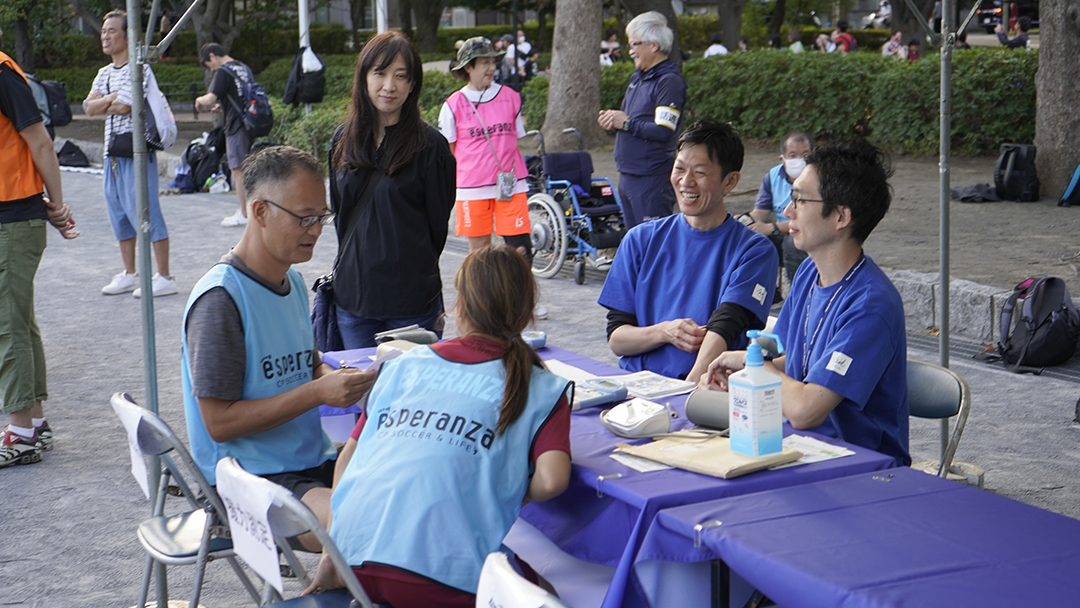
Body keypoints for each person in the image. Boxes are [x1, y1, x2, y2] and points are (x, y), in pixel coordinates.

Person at [304, 245, 572, 607]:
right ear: (527, 311)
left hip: (352, 562)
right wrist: (511, 483)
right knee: (548, 598)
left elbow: (349, 457)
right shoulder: (542, 386)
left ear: (459, 306)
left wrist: (329, 553)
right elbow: (554, 480)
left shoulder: (402, 366)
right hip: (442, 576)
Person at [181, 146, 375, 549]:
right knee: (363, 524)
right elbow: (219, 422)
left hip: (307, 463)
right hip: (244, 481)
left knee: (417, 492)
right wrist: (317, 391)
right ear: (260, 212)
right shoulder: (221, 299)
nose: (316, 229)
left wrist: (337, 379)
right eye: (305, 217)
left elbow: (308, 365)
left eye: (321, 217)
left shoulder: (294, 282)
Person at [699, 139, 910, 467]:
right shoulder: (811, 271)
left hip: (860, 472)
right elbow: (798, 360)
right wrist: (743, 360)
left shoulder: (871, 304)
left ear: (841, 216)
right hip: (801, 452)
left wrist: (758, 371)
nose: (787, 211)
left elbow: (805, 410)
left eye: (799, 199)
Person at [598, 120, 778, 383]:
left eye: (700, 173)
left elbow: (725, 327)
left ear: (730, 181)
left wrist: (688, 392)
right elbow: (617, 340)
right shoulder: (640, 239)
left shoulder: (754, 250)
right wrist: (664, 331)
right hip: (636, 389)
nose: (686, 182)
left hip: (701, 389)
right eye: (679, 169)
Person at [330, 31, 455, 349]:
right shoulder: (343, 140)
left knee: (411, 397)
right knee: (358, 394)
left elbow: (436, 228)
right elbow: (341, 215)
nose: (390, 85)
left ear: (413, 84)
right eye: (380, 73)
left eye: (401, 76)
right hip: (353, 298)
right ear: (364, 76)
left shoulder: (431, 148)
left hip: (411, 303)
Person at [0, 48, 78, 469]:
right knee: (20, 321)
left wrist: (58, 205)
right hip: (11, 216)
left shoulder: (2, 73)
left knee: (8, 324)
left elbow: (41, 142)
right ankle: (35, 423)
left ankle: (21, 432)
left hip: (13, 217)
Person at [84, 10, 176, 298]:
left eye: (112, 31)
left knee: (147, 210)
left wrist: (107, 100)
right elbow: (88, 108)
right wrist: (109, 99)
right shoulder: (104, 73)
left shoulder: (140, 69)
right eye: (103, 31)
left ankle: (164, 276)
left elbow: (125, 105)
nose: (106, 36)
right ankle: (130, 273)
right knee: (118, 212)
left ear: (127, 35)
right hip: (112, 154)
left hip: (137, 151)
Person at [439, 38, 532, 258]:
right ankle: (482, 294)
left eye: (493, 62)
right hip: (472, 188)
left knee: (521, 252)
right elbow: (450, 150)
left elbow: (514, 140)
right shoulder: (452, 105)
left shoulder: (511, 98)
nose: (492, 68)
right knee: (479, 256)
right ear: (468, 67)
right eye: (485, 62)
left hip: (511, 183)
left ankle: (515, 293)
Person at [597, 11, 686, 229]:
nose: (630, 51)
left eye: (634, 44)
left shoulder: (669, 81)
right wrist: (613, 121)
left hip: (651, 178)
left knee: (653, 245)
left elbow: (664, 130)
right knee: (634, 244)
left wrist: (625, 123)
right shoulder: (638, 77)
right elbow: (630, 121)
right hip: (628, 174)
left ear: (653, 45)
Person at [195, 43, 258, 227]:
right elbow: (242, 95)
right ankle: (249, 210)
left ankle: (244, 214)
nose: (212, 68)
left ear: (213, 56)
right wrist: (223, 106)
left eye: (210, 64)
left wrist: (199, 101)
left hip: (235, 126)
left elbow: (209, 98)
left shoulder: (223, 71)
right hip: (249, 123)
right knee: (246, 169)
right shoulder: (243, 67)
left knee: (237, 170)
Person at [749, 132, 813, 301]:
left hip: (808, 232)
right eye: (793, 155)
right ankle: (769, 295)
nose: (799, 160)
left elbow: (809, 219)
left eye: (805, 155)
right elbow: (761, 211)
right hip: (780, 232)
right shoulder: (772, 177)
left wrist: (772, 227)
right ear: (782, 158)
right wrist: (748, 220)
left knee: (792, 242)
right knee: (755, 240)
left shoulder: (817, 179)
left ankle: (800, 297)